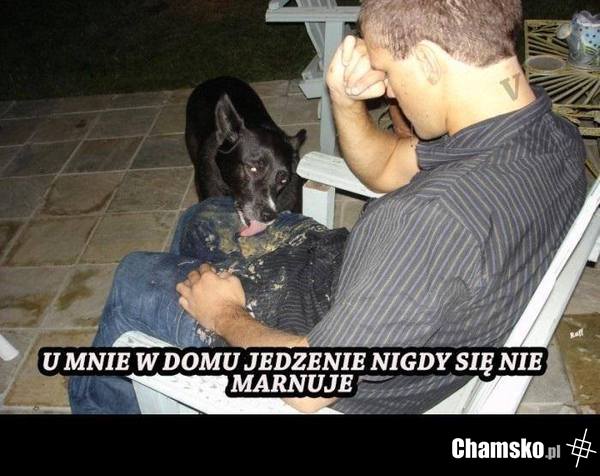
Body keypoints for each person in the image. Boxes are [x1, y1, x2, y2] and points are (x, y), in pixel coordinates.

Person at [69, 0, 587, 414]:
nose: (387, 91)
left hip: (318, 356)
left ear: (429, 61)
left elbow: (313, 385)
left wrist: (225, 315)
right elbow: (387, 166)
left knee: (134, 276)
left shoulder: (427, 221)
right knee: (200, 218)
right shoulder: (551, 137)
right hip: (376, 296)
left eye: (388, 73)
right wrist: (343, 99)